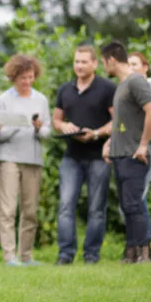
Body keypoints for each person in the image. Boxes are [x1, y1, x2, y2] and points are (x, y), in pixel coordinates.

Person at [53, 46, 116, 265]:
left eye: (84, 62)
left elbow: (117, 121)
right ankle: (65, 255)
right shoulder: (65, 89)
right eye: (76, 62)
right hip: (71, 157)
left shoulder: (107, 88)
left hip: (99, 156)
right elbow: (56, 120)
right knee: (65, 206)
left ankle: (91, 255)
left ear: (95, 64)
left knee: (96, 209)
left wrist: (96, 133)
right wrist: (66, 127)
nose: (79, 66)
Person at [100, 41, 151, 263]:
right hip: (119, 154)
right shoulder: (121, 85)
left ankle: (143, 255)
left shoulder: (135, 81)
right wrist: (109, 145)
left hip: (134, 155)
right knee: (127, 205)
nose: (103, 66)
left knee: (134, 205)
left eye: (104, 61)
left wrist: (143, 145)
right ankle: (131, 253)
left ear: (112, 60)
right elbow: (122, 123)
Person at [0, 54, 51, 266]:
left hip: (33, 159)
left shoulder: (41, 100)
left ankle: (26, 255)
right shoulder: (3, 100)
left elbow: (46, 133)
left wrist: (37, 128)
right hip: (8, 158)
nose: (27, 81)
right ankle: (10, 256)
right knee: (8, 209)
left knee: (30, 210)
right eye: (23, 78)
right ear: (13, 77)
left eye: (30, 77)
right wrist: (19, 124)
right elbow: (0, 134)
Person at [128, 52, 151, 259]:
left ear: (145, 67)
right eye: (129, 65)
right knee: (132, 203)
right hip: (130, 153)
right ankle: (135, 249)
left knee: (136, 202)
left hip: (145, 154)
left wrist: (142, 144)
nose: (131, 68)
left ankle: (144, 249)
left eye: (135, 64)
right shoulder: (131, 90)